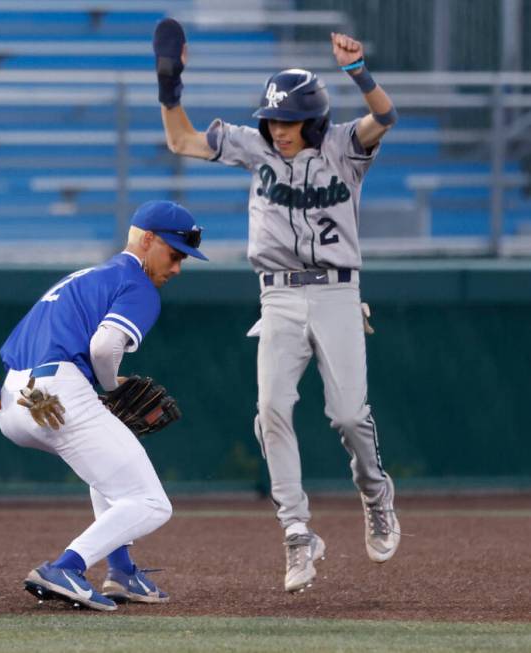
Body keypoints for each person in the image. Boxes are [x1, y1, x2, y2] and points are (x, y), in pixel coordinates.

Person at [155, 23, 401, 593]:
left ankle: (375, 493)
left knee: (346, 415)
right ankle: (296, 534)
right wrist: (170, 90)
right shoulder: (255, 145)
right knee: (271, 410)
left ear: (312, 121)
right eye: (272, 120)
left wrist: (358, 72)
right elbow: (182, 141)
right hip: (279, 294)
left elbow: (385, 118)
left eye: (287, 121)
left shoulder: (343, 146)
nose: (278, 130)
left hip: (339, 290)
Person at [0, 200, 207, 611]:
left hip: (11, 400)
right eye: (174, 254)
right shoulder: (137, 285)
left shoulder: (84, 276)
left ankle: (122, 572)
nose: (176, 268)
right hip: (58, 395)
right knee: (152, 503)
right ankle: (66, 566)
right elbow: (104, 347)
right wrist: (112, 390)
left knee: (107, 474)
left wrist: (101, 391)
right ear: (148, 239)